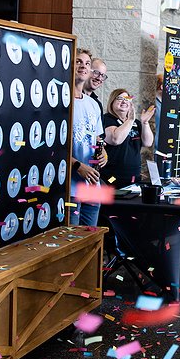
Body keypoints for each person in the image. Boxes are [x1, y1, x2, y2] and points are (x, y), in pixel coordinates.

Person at [71, 48, 108, 227]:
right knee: (71, 240)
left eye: (87, 63)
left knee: (91, 239)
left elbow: (98, 139)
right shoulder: (61, 100)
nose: (83, 66)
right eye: (78, 61)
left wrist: (104, 154)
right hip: (70, 189)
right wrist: (78, 166)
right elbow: (53, 149)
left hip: (93, 188)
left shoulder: (93, 104)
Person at [102, 89, 155, 188]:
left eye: (127, 99)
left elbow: (148, 143)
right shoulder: (106, 119)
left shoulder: (136, 122)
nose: (124, 101)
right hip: (112, 177)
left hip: (133, 176)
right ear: (112, 102)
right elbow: (115, 139)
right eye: (119, 98)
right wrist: (130, 120)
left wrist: (145, 123)